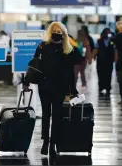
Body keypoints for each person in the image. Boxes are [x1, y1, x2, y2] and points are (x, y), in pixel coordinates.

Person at [24, 22, 83, 156]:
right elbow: (34, 63)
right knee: (46, 114)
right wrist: (27, 80)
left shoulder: (67, 49)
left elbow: (76, 63)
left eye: (59, 31)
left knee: (57, 115)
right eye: (54, 31)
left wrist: (72, 90)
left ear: (64, 33)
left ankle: (53, 143)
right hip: (44, 85)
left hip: (60, 87)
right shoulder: (43, 46)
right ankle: (45, 141)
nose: (57, 33)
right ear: (50, 32)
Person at [93, 28, 115, 96]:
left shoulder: (112, 41)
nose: (108, 34)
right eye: (107, 33)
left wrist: (115, 58)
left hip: (109, 61)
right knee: (101, 75)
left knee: (108, 75)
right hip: (100, 61)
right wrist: (93, 57)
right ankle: (101, 87)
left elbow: (115, 50)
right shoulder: (99, 41)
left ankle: (108, 87)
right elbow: (96, 49)